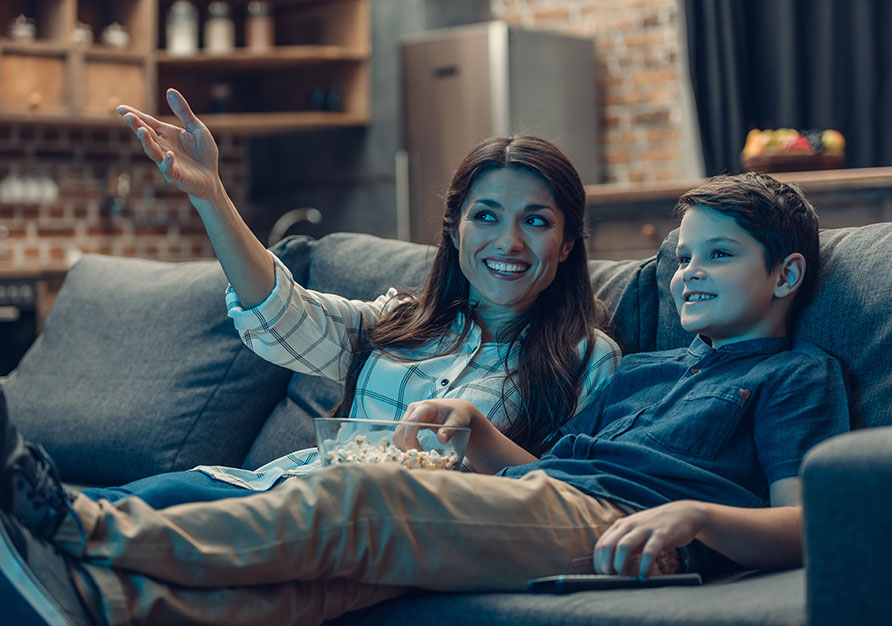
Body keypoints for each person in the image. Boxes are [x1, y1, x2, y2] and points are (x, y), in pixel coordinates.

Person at [0, 171, 850, 625]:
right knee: (333, 590)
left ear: (786, 274)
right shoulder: (645, 369)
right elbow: (549, 476)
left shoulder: (793, 374)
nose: (688, 274)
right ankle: (103, 602)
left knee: (364, 500)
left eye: (718, 256)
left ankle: (78, 524)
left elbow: (813, 522)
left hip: (625, 534)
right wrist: (479, 432)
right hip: (552, 503)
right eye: (682, 258)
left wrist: (696, 517)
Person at [68, 89, 620, 510]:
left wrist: (478, 433)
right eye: (486, 217)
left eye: (537, 221)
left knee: (105, 527)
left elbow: (568, 497)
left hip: (362, 523)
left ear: (568, 242)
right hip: (279, 488)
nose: (509, 242)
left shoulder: (586, 360)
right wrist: (211, 195)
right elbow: (284, 315)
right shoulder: (402, 321)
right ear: (454, 232)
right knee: (96, 508)